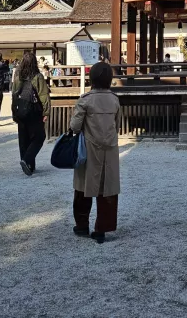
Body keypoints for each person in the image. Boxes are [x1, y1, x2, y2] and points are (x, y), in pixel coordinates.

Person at [69, 61, 121, 244]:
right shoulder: (115, 99)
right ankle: (102, 229)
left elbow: (74, 127)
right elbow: (118, 124)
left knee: (83, 187)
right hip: (110, 149)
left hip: (89, 150)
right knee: (107, 189)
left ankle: (82, 225)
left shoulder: (86, 99)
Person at [11, 51, 49, 175]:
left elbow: (14, 95)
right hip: (34, 111)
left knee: (24, 139)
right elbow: (43, 95)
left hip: (20, 110)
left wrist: (14, 111)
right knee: (39, 137)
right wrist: (46, 112)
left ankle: (28, 164)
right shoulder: (37, 76)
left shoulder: (18, 76)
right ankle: (27, 160)